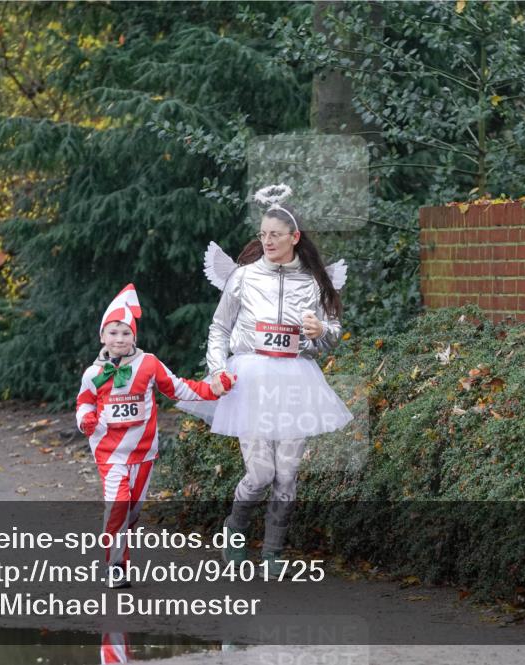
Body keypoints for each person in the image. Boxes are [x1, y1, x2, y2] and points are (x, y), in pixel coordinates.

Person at [178, 184, 352, 568]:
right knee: (259, 474)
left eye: (275, 234)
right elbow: (219, 327)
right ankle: (234, 528)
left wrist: (320, 333)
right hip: (250, 379)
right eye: (263, 234)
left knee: (287, 476)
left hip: (296, 381)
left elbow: (333, 333)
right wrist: (217, 369)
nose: (268, 240)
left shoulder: (314, 280)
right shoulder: (242, 277)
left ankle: (273, 551)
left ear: (295, 237)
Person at [75, 283, 233, 588]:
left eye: (125, 333)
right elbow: (83, 401)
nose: (119, 338)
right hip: (109, 452)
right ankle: (115, 566)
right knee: (118, 504)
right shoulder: (92, 373)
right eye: (113, 332)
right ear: (102, 337)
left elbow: (178, 388)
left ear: (134, 336)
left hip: (144, 452)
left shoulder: (149, 364)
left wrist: (212, 389)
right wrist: (86, 420)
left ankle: (121, 548)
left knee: (132, 511)